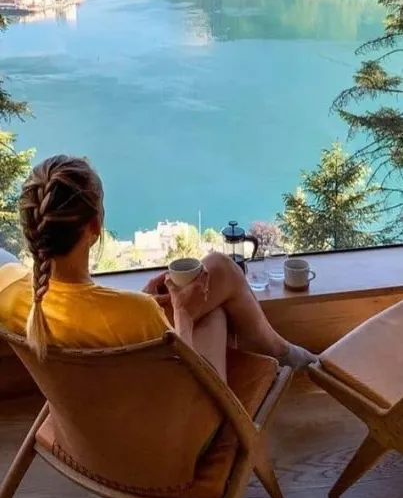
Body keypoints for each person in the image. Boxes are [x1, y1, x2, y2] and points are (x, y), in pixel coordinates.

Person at [0, 155, 316, 376]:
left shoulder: (9, 291)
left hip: (83, 432)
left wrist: (147, 300)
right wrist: (182, 314)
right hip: (173, 440)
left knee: (215, 272)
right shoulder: (136, 313)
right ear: (94, 227)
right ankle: (281, 352)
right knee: (214, 308)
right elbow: (190, 385)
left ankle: (280, 350)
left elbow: (93, 320)